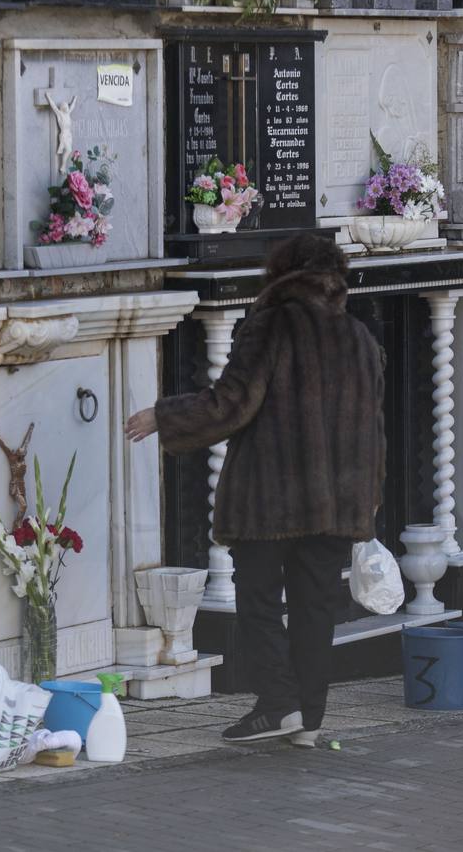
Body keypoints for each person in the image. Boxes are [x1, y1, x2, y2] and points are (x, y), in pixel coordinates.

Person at [126, 234, 385, 745]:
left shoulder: (273, 324)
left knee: (258, 604)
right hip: (338, 499)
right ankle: (308, 720)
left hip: (272, 498)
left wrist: (163, 415)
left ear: (282, 273)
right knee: (316, 609)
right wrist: (368, 495)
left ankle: (280, 705)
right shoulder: (359, 335)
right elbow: (373, 427)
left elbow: (232, 402)